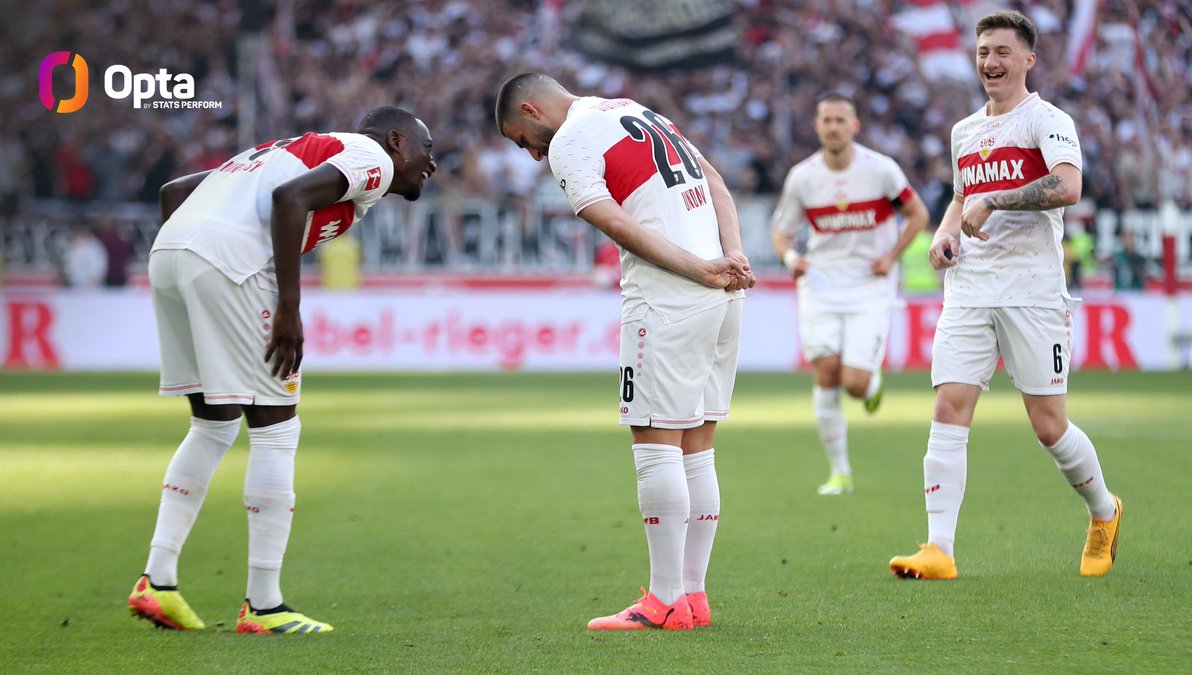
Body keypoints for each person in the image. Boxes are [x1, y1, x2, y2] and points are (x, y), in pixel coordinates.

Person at [128, 106, 437, 634]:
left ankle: (157, 580)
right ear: (396, 140)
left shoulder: (281, 151)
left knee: (214, 423)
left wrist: (197, 263)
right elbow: (288, 199)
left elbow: (175, 192)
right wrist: (289, 306)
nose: (432, 164)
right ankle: (265, 606)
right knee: (276, 427)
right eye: (427, 149)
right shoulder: (371, 158)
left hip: (172, 257)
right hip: (231, 265)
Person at [495, 73, 754, 631]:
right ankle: (692, 596)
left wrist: (696, 268)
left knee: (655, 440)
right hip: (722, 292)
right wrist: (729, 256)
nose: (535, 154)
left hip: (668, 297)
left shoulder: (568, 139)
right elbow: (715, 184)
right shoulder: (634, 110)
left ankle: (662, 603)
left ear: (532, 110)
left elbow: (609, 219)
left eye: (523, 140)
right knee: (697, 444)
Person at [888, 10, 1122, 581]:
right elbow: (963, 195)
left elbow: (1067, 186)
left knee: (1048, 425)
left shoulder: (1048, 120)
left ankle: (1103, 511)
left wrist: (998, 201)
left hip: (1033, 291)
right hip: (969, 288)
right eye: (983, 52)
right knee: (949, 406)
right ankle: (938, 548)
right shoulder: (964, 131)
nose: (990, 62)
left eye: (1001, 52)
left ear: (1027, 60)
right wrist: (945, 233)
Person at [770, 93, 930, 496]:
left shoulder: (881, 170)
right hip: (821, 285)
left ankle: (870, 386)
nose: (834, 127)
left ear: (855, 126)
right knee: (825, 374)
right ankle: (839, 473)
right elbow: (781, 231)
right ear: (817, 126)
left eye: (841, 120)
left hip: (868, 286)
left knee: (854, 384)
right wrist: (790, 257)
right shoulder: (803, 177)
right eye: (827, 120)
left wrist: (891, 256)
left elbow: (918, 214)